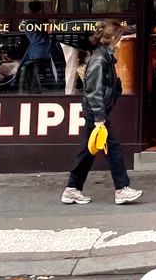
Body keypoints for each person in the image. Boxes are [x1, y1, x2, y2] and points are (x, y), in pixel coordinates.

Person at [61, 20, 142, 206]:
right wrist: (99, 118)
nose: (122, 41)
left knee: (87, 151)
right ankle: (122, 189)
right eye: (120, 38)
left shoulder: (104, 57)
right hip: (97, 114)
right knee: (112, 149)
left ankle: (72, 189)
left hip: (96, 113)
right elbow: (93, 91)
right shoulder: (99, 60)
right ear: (113, 39)